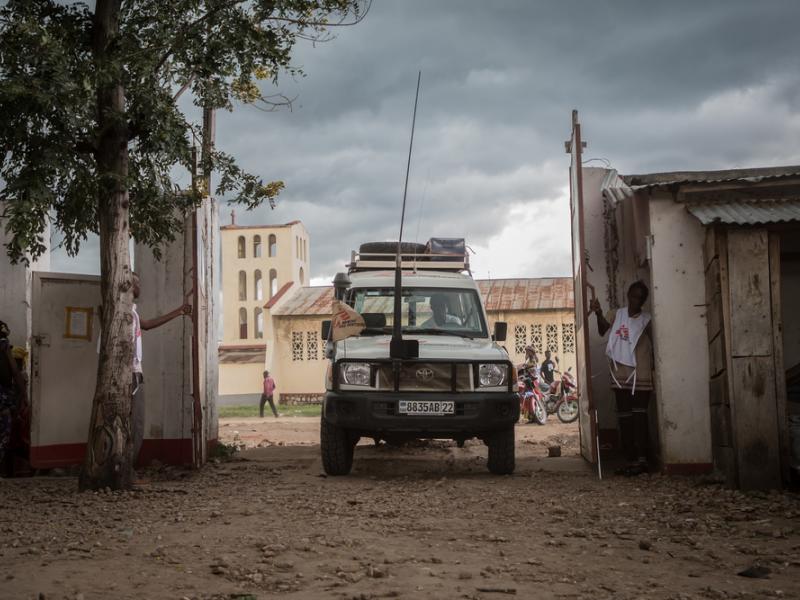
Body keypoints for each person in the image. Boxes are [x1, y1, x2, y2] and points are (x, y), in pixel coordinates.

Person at [589, 280, 654, 476]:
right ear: (628, 295)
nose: (636, 300)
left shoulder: (647, 319)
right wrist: (599, 313)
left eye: (640, 298)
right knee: (625, 418)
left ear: (644, 300)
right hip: (620, 375)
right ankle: (631, 459)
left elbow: (656, 343)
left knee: (640, 417)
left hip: (640, 375)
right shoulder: (616, 314)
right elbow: (602, 330)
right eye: (633, 296)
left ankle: (643, 459)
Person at [130, 272, 192, 465]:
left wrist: (179, 312)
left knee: (134, 423)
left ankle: (126, 467)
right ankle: (127, 468)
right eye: (136, 282)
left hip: (134, 374)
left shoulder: (132, 314)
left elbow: (147, 325)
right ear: (127, 285)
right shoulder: (126, 315)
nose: (140, 286)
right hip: (130, 376)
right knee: (136, 423)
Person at [0, 320, 27, 477]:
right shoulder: (3, 345)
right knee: (4, 433)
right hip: (2, 398)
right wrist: (24, 394)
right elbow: (15, 373)